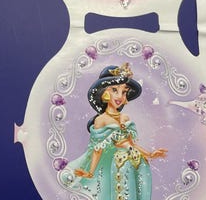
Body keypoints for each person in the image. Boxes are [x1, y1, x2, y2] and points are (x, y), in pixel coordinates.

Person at [68, 63, 167, 200]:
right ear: (105, 94)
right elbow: (97, 149)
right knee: (124, 194)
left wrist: (150, 154)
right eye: (115, 90)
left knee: (142, 193)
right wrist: (90, 172)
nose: (120, 96)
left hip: (139, 161)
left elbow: (131, 143)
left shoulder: (125, 118)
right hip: (121, 163)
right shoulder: (101, 120)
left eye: (124, 92)